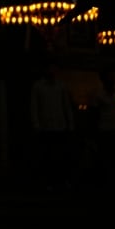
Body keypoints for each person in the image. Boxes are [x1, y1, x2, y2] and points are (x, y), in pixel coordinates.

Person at [29, 61, 76, 192]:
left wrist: (70, 124)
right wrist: (36, 124)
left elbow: (66, 105)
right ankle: (48, 182)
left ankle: (61, 180)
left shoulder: (61, 86)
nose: (52, 71)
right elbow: (34, 106)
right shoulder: (38, 86)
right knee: (47, 156)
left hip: (60, 125)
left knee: (61, 155)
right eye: (50, 68)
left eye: (54, 69)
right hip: (45, 126)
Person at [91, 70, 115, 191]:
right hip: (105, 129)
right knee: (106, 156)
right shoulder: (98, 94)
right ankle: (106, 181)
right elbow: (94, 113)